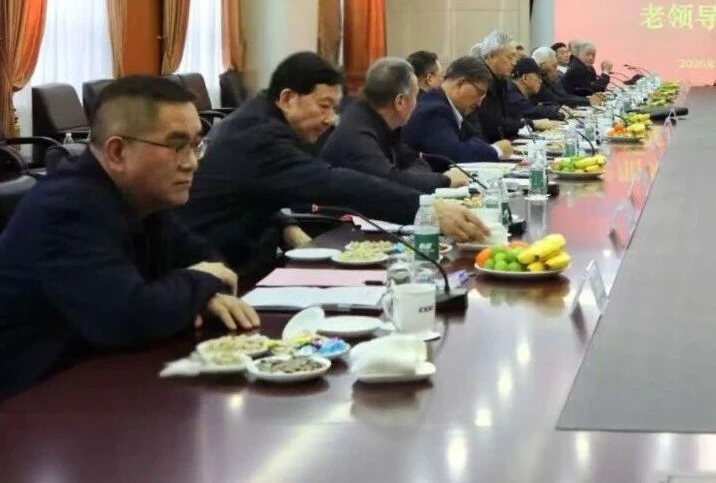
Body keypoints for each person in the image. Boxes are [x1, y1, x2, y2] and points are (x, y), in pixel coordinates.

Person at [0, 76, 260, 400]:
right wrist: (200, 285)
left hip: (98, 379)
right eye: (176, 146)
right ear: (118, 152)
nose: (192, 162)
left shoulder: (143, 197)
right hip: (28, 401)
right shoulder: (68, 208)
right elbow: (128, 317)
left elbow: (206, 258)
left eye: (196, 144)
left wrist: (199, 293)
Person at [182, 52, 487, 276]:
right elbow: (332, 182)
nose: (331, 119)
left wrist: (285, 225)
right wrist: (426, 209)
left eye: (334, 107)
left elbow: (255, 185)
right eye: (324, 106)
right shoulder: (260, 135)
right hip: (217, 266)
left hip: (249, 251)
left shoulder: (262, 115)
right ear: (288, 98)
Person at [320, 58, 470, 191]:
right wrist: (445, 180)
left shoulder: (381, 123)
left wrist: (410, 176)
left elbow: (414, 161)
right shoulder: (358, 134)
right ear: (400, 101)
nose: (417, 103)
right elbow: (389, 182)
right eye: (416, 95)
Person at [403, 56, 515, 163]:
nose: (479, 103)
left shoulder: (450, 107)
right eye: (479, 93)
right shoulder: (433, 110)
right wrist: (497, 150)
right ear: (460, 83)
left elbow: (478, 140)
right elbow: (455, 156)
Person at [473, 30, 560, 141]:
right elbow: (492, 124)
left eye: (515, 58)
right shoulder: (481, 82)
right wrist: (532, 124)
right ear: (491, 56)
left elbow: (511, 116)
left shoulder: (501, 80)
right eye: (510, 57)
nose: (514, 63)